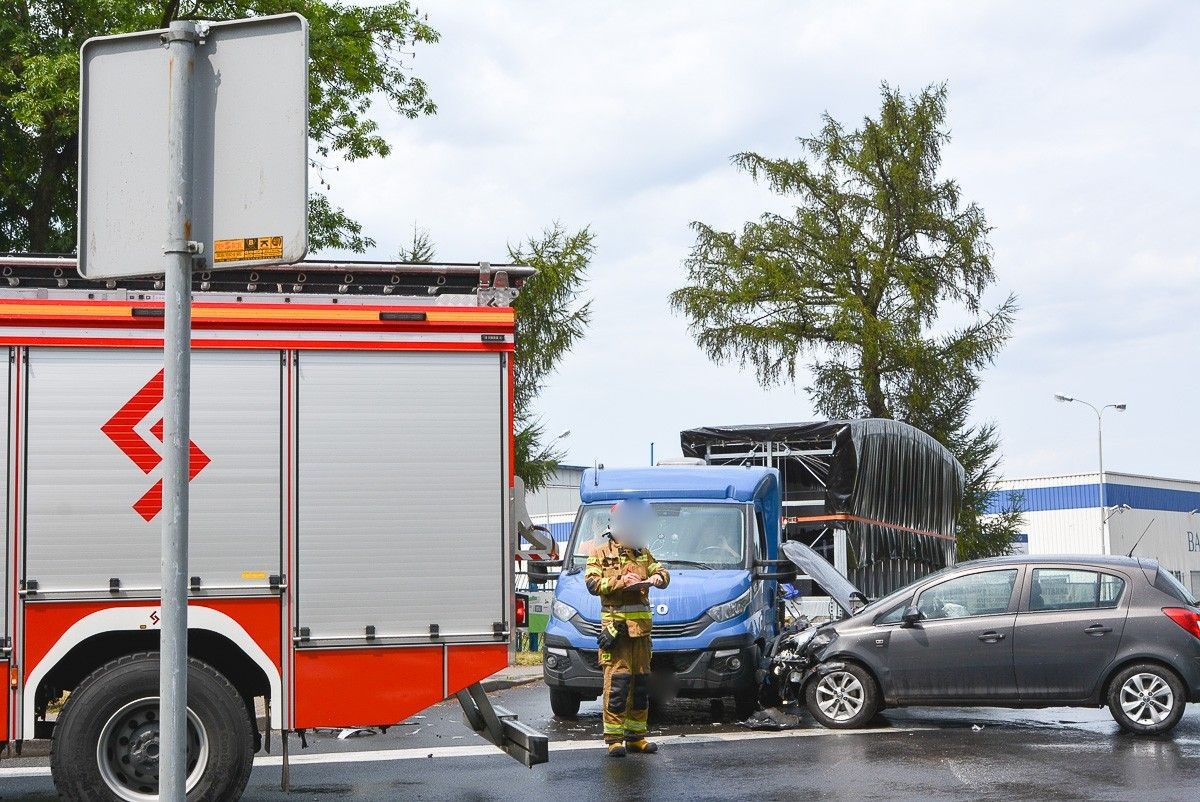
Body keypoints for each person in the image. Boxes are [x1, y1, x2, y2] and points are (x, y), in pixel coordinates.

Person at [583, 499, 670, 757]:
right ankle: (614, 739)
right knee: (617, 685)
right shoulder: (599, 553)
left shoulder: (642, 552)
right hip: (617, 632)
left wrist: (657, 578)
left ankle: (636, 737)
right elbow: (592, 584)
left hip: (641, 633)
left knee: (640, 685)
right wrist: (622, 581)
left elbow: (662, 573)